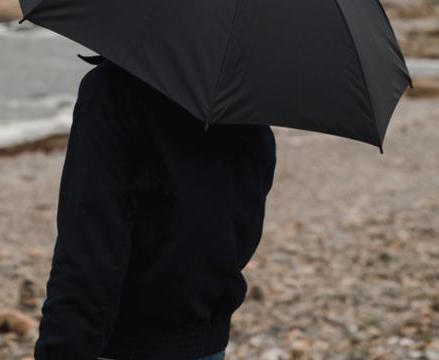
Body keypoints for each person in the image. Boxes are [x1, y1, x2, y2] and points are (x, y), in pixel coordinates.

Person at [34, 55, 277, 360]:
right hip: (208, 341)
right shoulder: (244, 98)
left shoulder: (113, 91)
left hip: (124, 346)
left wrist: (60, 350)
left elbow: (89, 249)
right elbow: (243, 225)